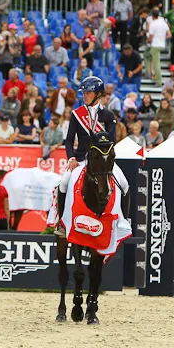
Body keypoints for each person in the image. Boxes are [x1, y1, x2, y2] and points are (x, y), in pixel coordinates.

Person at [54, 76, 119, 237]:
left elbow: (112, 140)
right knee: (63, 183)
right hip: (81, 159)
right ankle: (62, 223)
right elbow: (69, 140)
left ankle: (123, 222)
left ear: (98, 94)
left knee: (123, 184)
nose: (85, 96)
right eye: (84, 93)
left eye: (88, 93)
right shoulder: (77, 115)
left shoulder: (108, 115)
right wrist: (71, 158)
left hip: (102, 162)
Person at [145, 9, 171, 86]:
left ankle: (159, 81)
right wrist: (162, 38)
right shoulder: (164, 23)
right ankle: (149, 72)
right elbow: (169, 35)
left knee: (156, 63)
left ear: (152, 17)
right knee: (146, 55)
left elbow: (151, 37)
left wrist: (147, 41)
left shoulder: (153, 24)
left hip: (155, 45)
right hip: (162, 44)